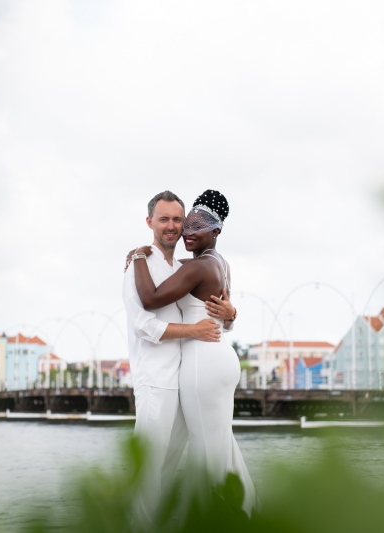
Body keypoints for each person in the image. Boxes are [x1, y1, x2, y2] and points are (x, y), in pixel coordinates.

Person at [132, 189, 257, 516]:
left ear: (216, 231)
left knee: (207, 453)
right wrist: (232, 315)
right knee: (220, 446)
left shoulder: (200, 267)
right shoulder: (219, 263)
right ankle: (238, 514)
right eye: (187, 224)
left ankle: (221, 518)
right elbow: (219, 312)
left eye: (198, 226)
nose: (188, 231)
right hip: (219, 358)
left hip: (203, 363)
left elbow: (150, 299)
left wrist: (138, 258)